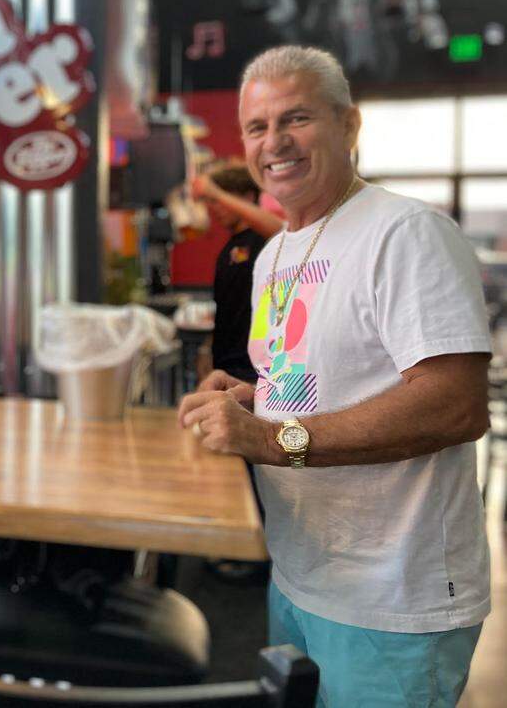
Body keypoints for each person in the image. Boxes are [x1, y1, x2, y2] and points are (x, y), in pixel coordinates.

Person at [179, 45, 492, 707]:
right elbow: (320, 375)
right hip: (299, 571)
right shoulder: (276, 254)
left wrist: (273, 438)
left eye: (296, 118)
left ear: (348, 124)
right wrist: (253, 396)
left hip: (391, 598)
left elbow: (455, 404)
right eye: (258, 126)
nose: (274, 142)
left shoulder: (406, 233)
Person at [192, 164, 273, 384]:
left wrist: (215, 192)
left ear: (248, 197)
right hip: (225, 364)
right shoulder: (229, 248)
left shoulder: (266, 240)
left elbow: (280, 228)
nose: (215, 208)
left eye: (221, 200)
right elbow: (226, 307)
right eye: (213, 201)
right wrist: (207, 349)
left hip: (254, 369)